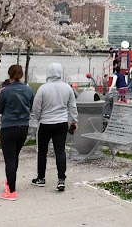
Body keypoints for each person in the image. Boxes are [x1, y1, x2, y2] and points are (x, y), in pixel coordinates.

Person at [32, 63, 78, 192]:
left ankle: (41, 178)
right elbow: (72, 106)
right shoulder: (67, 88)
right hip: (62, 123)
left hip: (45, 123)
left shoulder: (43, 88)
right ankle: (61, 179)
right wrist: (74, 120)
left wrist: (38, 117)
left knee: (42, 151)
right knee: (60, 150)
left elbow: (36, 106)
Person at [0, 64, 34, 201]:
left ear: (9, 75)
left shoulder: (5, 91)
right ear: (21, 75)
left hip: (9, 127)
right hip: (23, 127)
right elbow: (32, 106)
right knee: (15, 156)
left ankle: (11, 191)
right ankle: (10, 182)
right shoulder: (28, 90)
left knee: (9, 159)